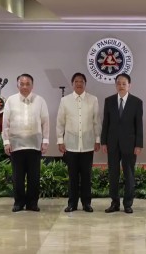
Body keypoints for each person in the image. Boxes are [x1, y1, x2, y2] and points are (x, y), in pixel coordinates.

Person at [2, 74, 49, 212]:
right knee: (18, 176)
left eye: (27, 84)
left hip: (35, 144)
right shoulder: (11, 100)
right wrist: (6, 142)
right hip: (16, 145)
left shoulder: (40, 101)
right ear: (17, 85)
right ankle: (19, 202)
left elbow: (45, 122)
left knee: (34, 176)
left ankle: (32, 203)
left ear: (32, 85)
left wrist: (45, 140)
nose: (24, 86)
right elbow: (6, 123)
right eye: (21, 84)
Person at [56, 72, 101, 213]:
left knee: (87, 176)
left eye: (81, 81)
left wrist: (98, 139)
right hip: (70, 145)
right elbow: (60, 122)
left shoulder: (93, 100)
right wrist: (60, 140)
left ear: (85, 84)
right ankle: (72, 204)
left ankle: (87, 203)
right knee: (73, 176)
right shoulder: (65, 101)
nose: (79, 84)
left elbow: (96, 121)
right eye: (76, 81)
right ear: (72, 84)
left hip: (87, 145)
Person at [101, 73, 143, 214]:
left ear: (129, 85)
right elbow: (105, 123)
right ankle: (114, 203)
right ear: (115, 85)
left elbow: (139, 125)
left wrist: (138, 145)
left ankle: (128, 204)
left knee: (129, 174)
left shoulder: (137, 102)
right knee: (113, 174)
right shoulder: (109, 101)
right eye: (118, 83)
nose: (121, 86)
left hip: (130, 145)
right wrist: (103, 142)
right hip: (112, 143)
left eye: (124, 83)